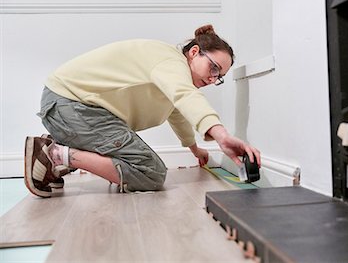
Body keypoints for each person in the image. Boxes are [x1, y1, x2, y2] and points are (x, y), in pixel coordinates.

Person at [24, 24, 261, 198]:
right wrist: (222, 136)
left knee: (136, 161)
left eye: (219, 77)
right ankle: (55, 155)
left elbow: (176, 110)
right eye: (214, 67)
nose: (213, 78)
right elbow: (184, 96)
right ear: (194, 52)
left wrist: (194, 148)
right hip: (70, 106)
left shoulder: (171, 69)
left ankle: (53, 157)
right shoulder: (170, 62)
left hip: (70, 107)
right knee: (151, 173)